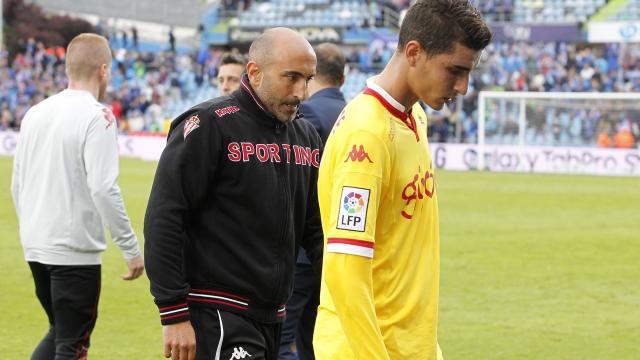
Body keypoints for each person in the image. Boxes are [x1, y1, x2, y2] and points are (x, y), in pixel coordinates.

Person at [313, 1, 492, 359]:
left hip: (410, 347)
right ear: (414, 52)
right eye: (455, 70)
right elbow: (345, 270)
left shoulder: (415, 118)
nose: (463, 86)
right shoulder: (367, 135)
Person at [144, 27, 323, 360]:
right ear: (254, 72)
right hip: (217, 313)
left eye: (308, 79)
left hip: (274, 316)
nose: (301, 92)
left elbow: (316, 229)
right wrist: (173, 312)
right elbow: (165, 217)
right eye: (291, 77)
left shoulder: (306, 136)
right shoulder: (209, 124)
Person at [10, 33, 144, 360]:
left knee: (60, 332)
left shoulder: (35, 113)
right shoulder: (98, 116)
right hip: (73, 251)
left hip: (36, 244)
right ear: (103, 70)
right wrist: (130, 248)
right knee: (72, 345)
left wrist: (33, 231)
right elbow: (103, 187)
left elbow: (17, 184)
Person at [279, 42, 346, 360]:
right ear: (343, 80)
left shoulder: (306, 114)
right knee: (316, 337)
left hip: (304, 249)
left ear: (311, 75)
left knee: (283, 339)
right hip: (339, 246)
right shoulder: (355, 114)